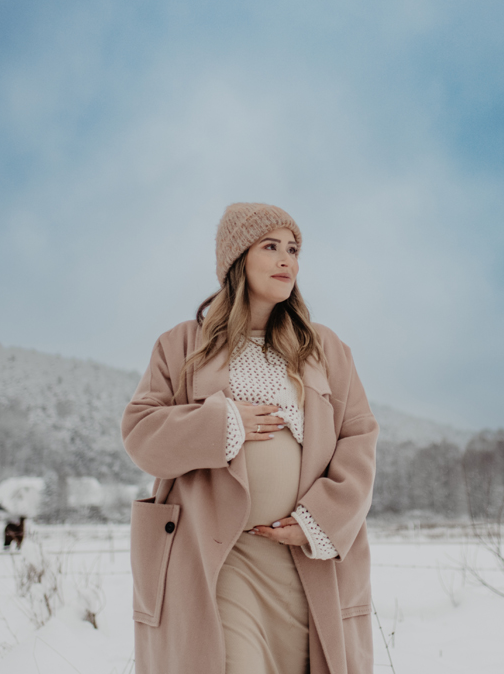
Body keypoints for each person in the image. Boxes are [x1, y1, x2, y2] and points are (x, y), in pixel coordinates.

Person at [122, 202, 378, 674]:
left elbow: (358, 438)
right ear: (238, 259)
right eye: (271, 247)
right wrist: (222, 426)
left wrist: (320, 520)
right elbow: (142, 435)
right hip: (220, 560)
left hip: (306, 559)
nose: (287, 260)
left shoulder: (325, 349)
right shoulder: (182, 345)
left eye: (294, 249)